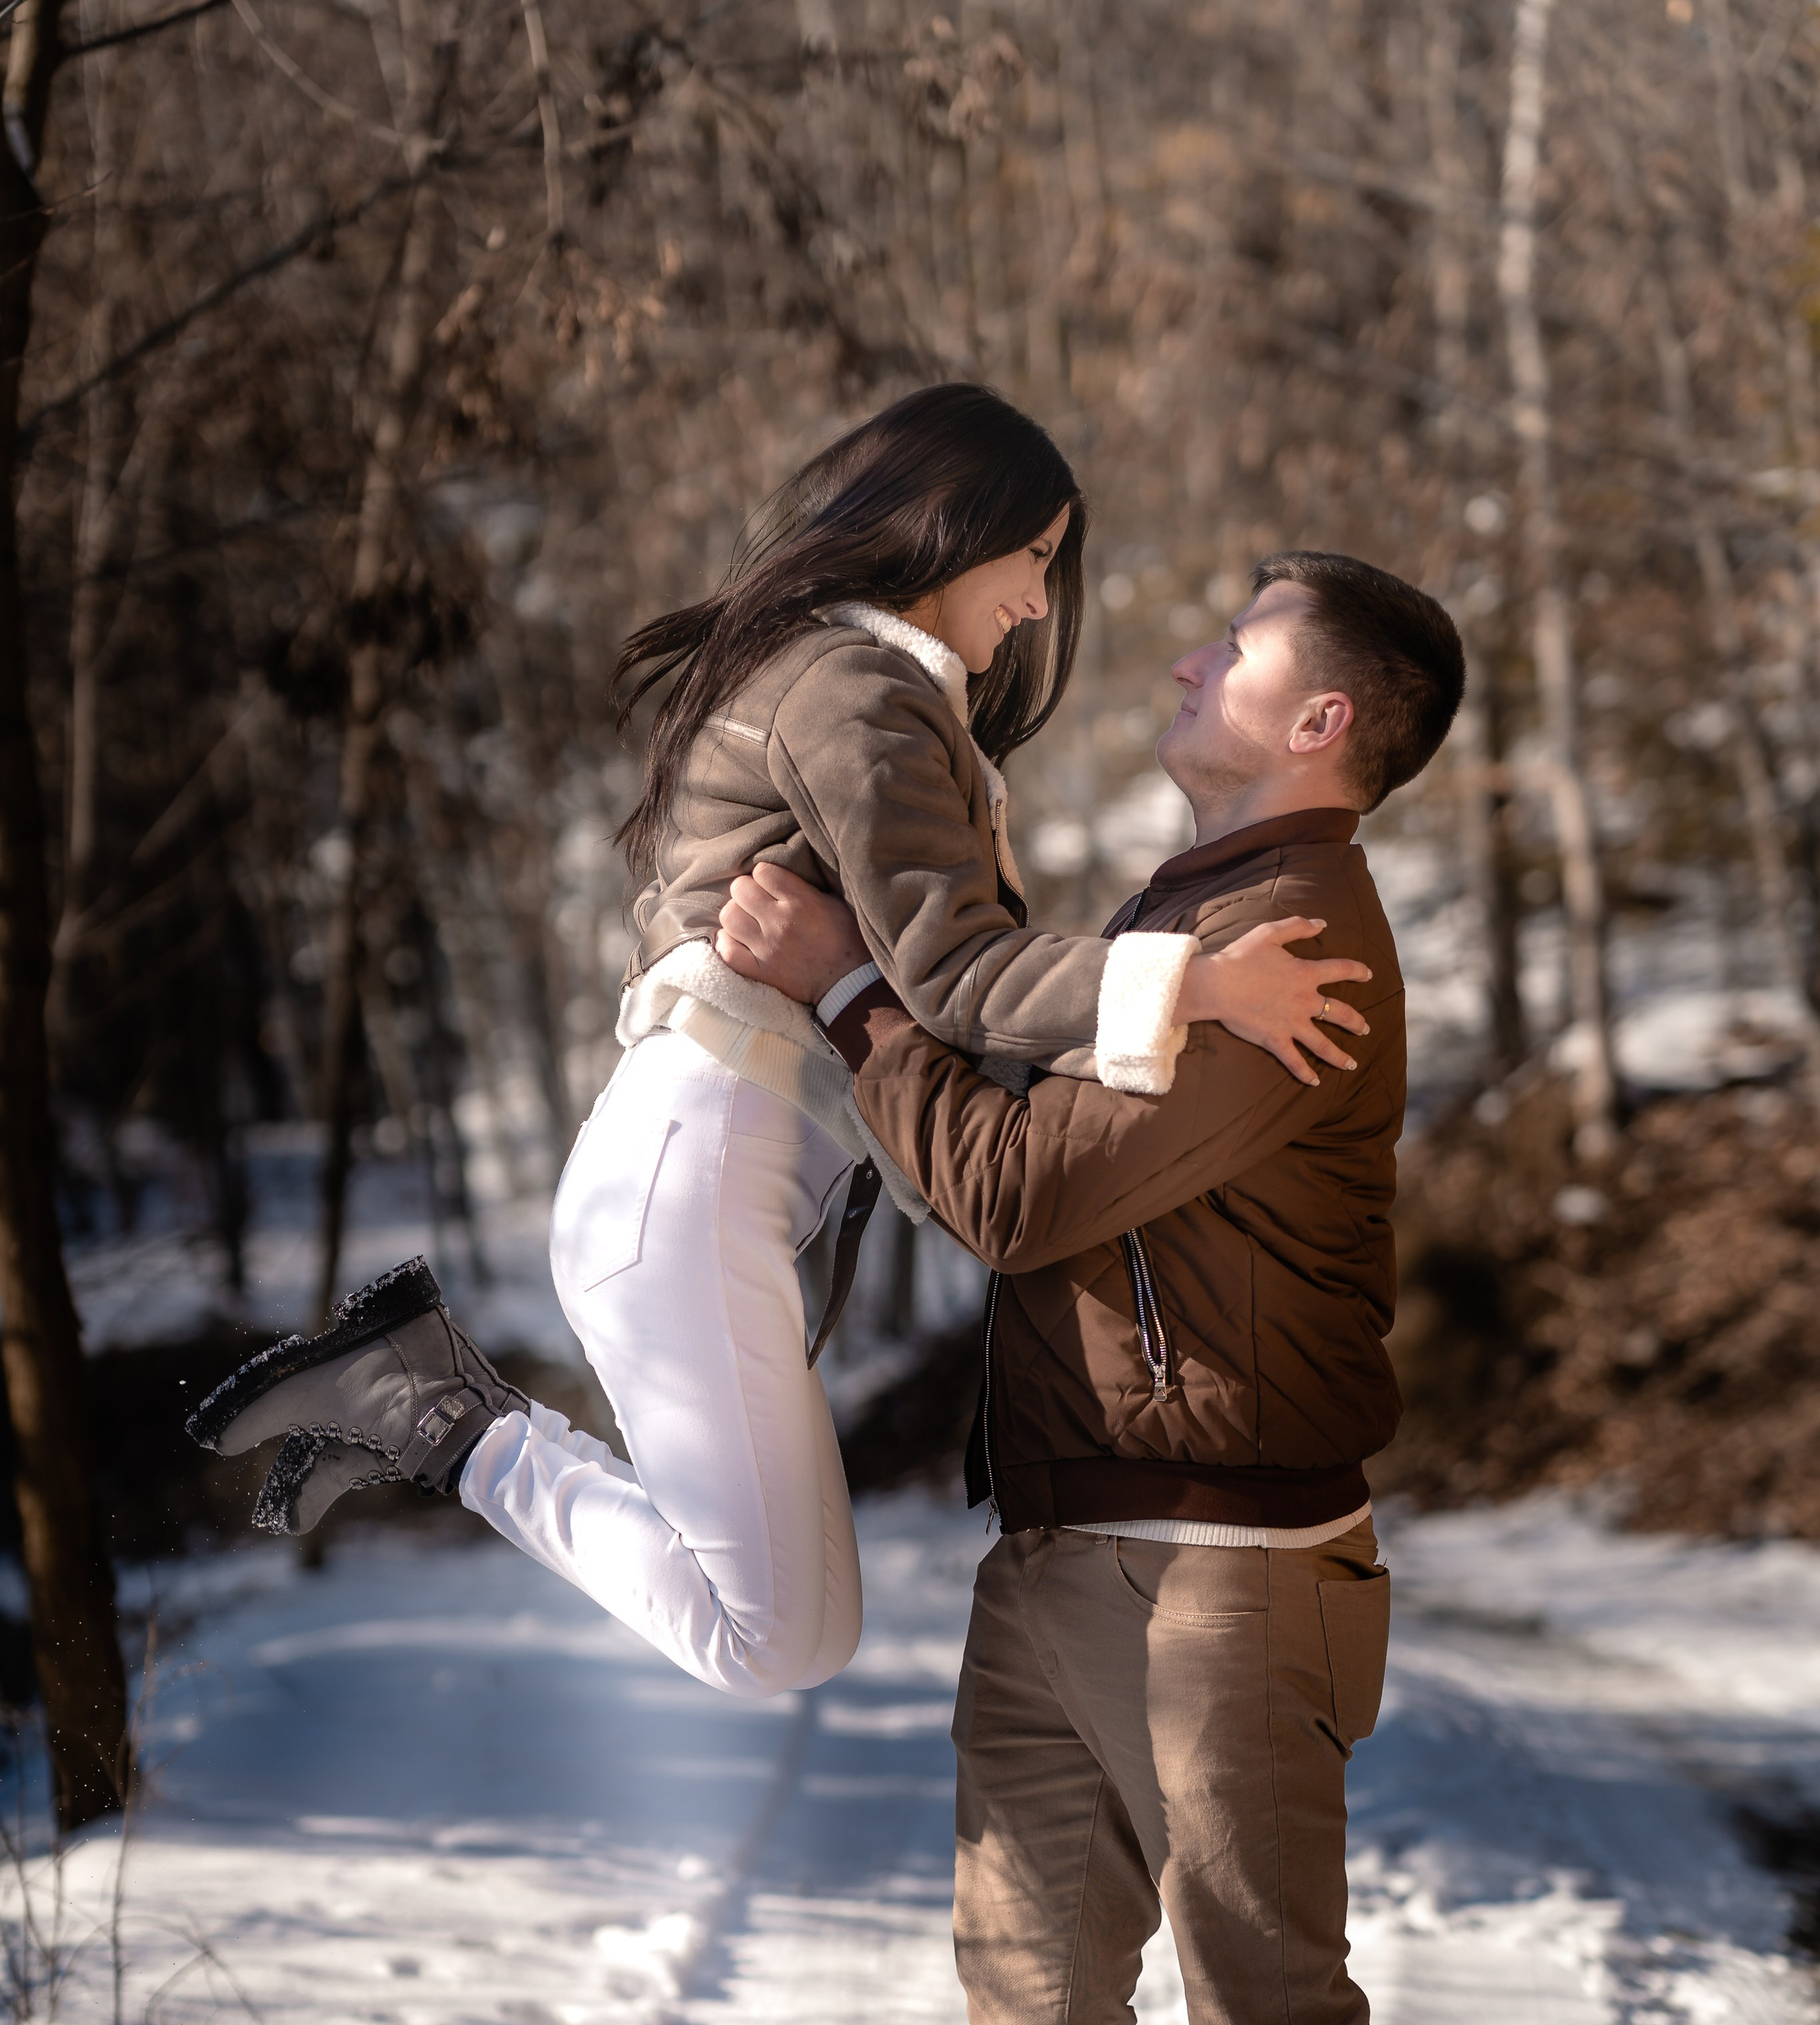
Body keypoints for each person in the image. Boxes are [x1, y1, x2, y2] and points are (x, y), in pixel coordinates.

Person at [712, 552, 1466, 2025]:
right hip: (1064, 1538)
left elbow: (1017, 1188)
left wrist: (843, 989)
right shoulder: (1179, 917)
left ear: (1327, 723)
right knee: (1037, 2010)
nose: (1182, 652)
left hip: (1227, 1572)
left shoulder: (1293, 935)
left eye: (1238, 641)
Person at [188, 391, 1368, 1702]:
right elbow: (959, 975)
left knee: (798, 1627)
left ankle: (443, 1408)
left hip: (701, 1193)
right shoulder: (854, 689)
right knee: (778, 1640)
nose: (1040, 603)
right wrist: (1191, 984)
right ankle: (442, 1417)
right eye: (1032, 557)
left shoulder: (855, 688)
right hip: (685, 1186)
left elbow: (942, 1005)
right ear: (942, 526)